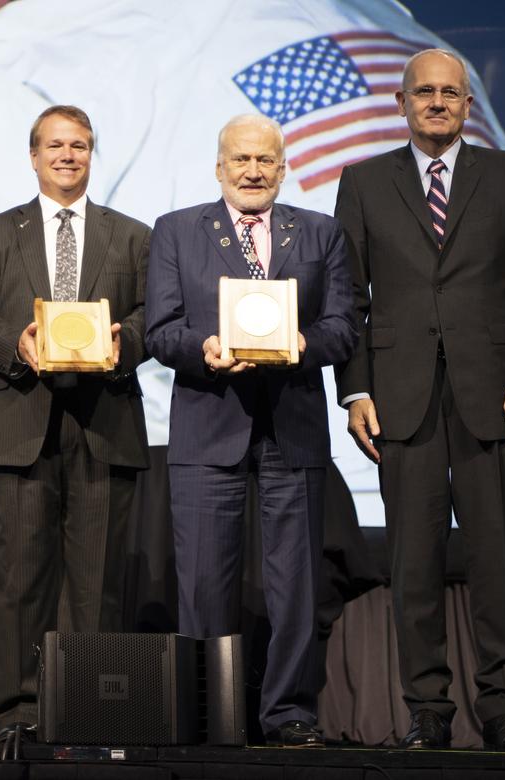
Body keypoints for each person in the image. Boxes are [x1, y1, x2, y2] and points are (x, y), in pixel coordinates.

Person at [333, 49, 505, 752]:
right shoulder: (364, 180)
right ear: (401, 102)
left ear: (468, 105)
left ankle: (502, 708)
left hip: (495, 395)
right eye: (424, 92)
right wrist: (356, 387)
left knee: (496, 558)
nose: (437, 102)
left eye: (450, 93)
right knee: (413, 562)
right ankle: (426, 709)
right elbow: (348, 294)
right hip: (401, 399)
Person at [144, 114, 356, 747]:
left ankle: (289, 714)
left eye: (266, 160)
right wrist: (205, 348)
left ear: (283, 168)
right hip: (210, 425)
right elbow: (160, 330)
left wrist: (302, 343)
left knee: (296, 584)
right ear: (219, 167)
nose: (253, 171)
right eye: (241, 160)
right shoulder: (177, 231)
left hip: (291, 427)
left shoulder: (321, 233)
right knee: (205, 582)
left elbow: (344, 326)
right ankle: (209, 714)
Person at [0, 105, 151, 743]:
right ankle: (18, 713)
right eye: (56, 146)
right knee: (19, 580)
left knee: (99, 583)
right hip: (20, 416)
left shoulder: (132, 235)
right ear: (34, 156)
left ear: (93, 156)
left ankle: (90, 709)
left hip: (104, 420)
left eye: (81, 146)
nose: (69, 155)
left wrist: (126, 343)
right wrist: (18, 345)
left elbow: (156, 314)